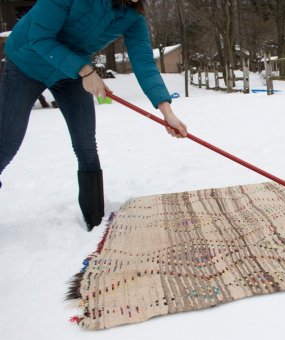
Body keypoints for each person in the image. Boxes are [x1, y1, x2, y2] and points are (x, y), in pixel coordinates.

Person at [0, 0, 188, 230]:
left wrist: (166, 111)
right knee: (7, 141)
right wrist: (87, 71)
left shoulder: (132, 17)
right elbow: (39, 37)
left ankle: (95, 224)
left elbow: (144, 63)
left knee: (86, 144)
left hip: (70, 72)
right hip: (27, 62)